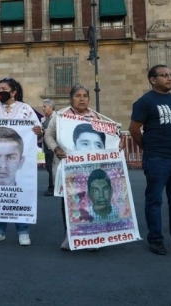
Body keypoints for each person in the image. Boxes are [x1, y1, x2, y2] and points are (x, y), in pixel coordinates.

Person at [129, 65, 171, 256]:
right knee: (154, 201)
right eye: (164, 75)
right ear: (153, 80)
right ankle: (156, 239)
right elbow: (134, 129)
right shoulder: (144, 102)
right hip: (157, 159)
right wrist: (147, 148)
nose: (169, 78)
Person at [44, 84, 121, 250]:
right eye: (78, 96)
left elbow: (108, 139)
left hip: (90, 169)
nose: (82, 99)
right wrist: (56, 148)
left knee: (88, 200)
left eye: (85, 96)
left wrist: (117, 145)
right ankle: (70, 236)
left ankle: (91, 236)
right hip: (67, 168)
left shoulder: (96, 117)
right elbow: (48, 135)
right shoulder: (61, 116)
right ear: (71, 99)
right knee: (69, 202)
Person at [0, 78, 41, 246]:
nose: (0, 92)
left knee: (20, 193)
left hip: (17, 160)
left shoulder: (26, 109)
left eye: (4, 89)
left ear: (13, 92)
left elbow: (38, 132)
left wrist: (38, 131)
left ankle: (23, 231)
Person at [41, 99, 56, 196]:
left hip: (53, 146)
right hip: (46, 147)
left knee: (51, 168)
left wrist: (47, 131)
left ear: (51, 107)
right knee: (48, 167)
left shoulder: (57, 117)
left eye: (45, 107)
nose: (43, 109)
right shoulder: (43, 119)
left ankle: (52, 188)